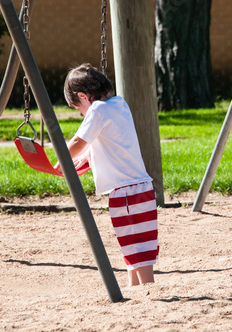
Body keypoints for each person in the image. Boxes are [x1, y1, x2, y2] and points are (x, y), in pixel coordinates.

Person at [54, 63, 158, 287]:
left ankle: (148, 290)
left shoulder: (97, 110)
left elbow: (78, 142)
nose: (81, 113)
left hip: (127, 192)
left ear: (83, 96)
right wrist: (90, 154)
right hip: (141, 189)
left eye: (77, 107)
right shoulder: (119, 104)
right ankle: (136, 287)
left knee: (137, 248)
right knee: (135, 244)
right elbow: (112, 137)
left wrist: (60, 162)